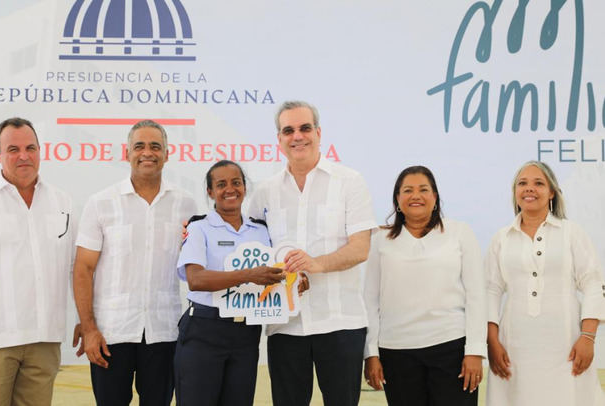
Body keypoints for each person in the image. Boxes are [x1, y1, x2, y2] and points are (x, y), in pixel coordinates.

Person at [248, 100, 377, 406]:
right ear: (279, 139)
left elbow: (360, 249)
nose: (297, 136)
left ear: (318, 133)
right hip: (285, 326)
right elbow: (251, 251)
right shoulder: (264, 192)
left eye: (305, 128)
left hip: (340, 323)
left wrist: (315, 264)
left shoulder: (350, 182)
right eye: (288, 130)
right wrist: (195, 229)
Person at [73, 120, 197, 406]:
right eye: (139, 146)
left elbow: (195, 266)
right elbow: (83, 269)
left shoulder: (186, 205)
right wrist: (89, 329)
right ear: (126, 153)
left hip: (163, 331)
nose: (147, 153)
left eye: (155, 146)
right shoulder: (101, 202)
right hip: (110, 333)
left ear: (167, 153)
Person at [175, 160, 309, 406]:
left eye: (236, 183)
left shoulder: (261, 230)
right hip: (204, 329)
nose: (230, 189)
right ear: (210, 192)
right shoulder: (199, 227)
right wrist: (248, 275)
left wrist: (295, 282)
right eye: (221, 184)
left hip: (246, 334)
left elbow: (275, 271)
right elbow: (195, 279)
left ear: (245, 188)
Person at [363, 165, 487, 406]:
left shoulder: (459, 232)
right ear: (397, 200)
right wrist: (371, 354)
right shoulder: (380, 239)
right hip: (396, 351)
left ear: (435, 197)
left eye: (423, 189)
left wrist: (474, 350)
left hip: (451, 347)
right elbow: (370, 300)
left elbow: (476, 295)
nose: (416, 196)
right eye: (407, 190)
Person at [486, 161, 605, 405]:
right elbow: (490, 290)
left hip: (567, 347)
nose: (529, 188)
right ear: (515, 192)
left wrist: (588, 337)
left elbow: (593, 283)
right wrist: (492, 342)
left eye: (538, 183)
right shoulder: (501, 238)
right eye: (522, 183)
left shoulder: (571, 233)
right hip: (514, 349)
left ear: (551, 192)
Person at [0, 118, 74, 406]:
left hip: (45, 339)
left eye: (30, 148)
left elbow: (75, 267)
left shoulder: (62, 201)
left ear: (39, 151)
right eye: (13, 149)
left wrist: (86, 321)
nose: (24, 155)